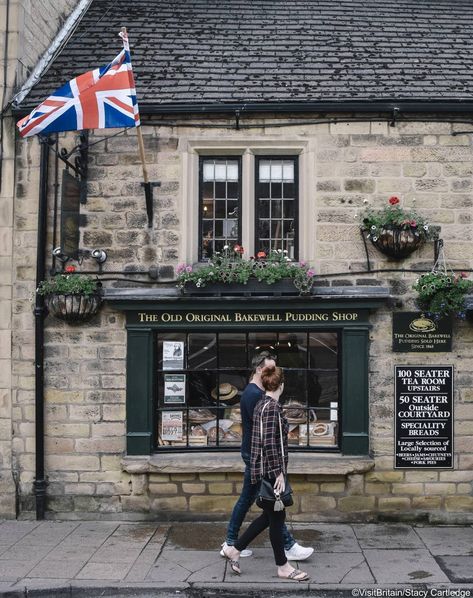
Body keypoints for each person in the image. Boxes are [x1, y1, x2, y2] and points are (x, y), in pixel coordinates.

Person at [220, 351, 314, 561]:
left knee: (252, 500)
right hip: (259, 456)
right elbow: (265, 436)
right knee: (272, 503)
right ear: (260, 370)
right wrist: (276, 469)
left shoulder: (255, 392)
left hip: (256, 455)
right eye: (270, 369)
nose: (273, 373)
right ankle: (288, 547)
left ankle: (231, 543)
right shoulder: (255, 395)